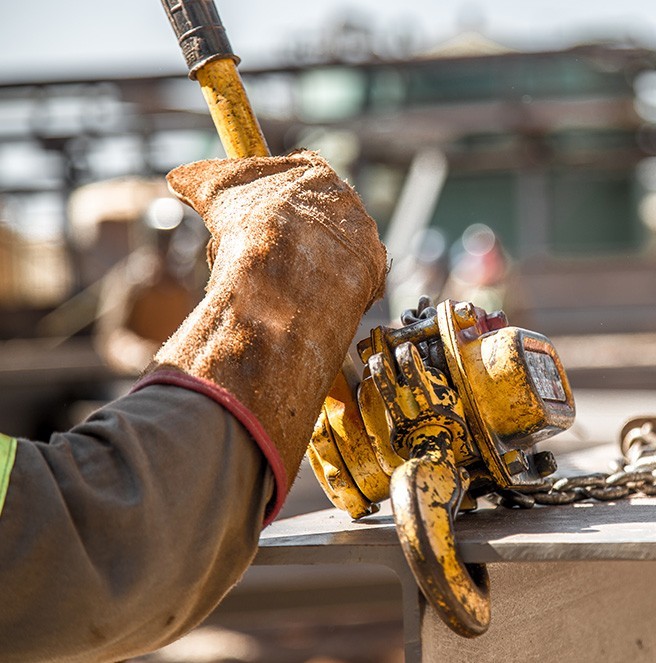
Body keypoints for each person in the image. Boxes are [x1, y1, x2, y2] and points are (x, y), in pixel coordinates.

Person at [0, 150, 388, 662]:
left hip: (174, 393)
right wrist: (270, 293)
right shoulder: (132, 282)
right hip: (149, 390)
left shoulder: (182, 278)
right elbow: (91, 538)